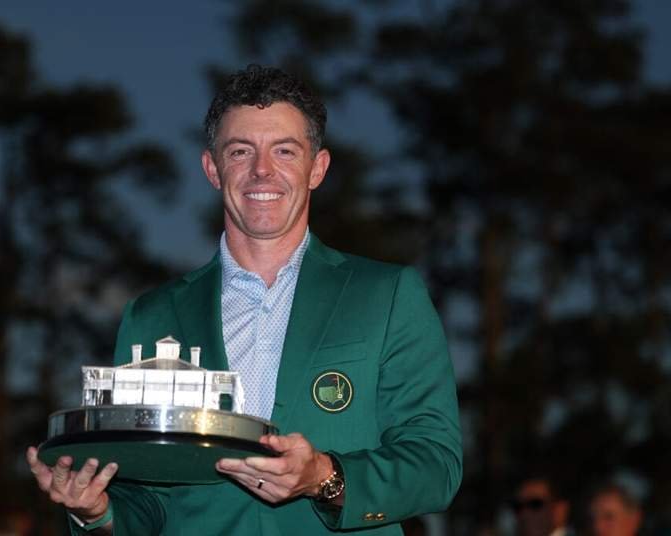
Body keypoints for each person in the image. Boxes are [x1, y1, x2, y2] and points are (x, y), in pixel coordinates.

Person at [27, 64, 462, 535]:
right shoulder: (151, 316)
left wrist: (325, 477)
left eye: (284, 150)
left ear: (317, 168)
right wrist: (97, 512)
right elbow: (143, 496)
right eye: (240, 151)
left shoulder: (387, 294)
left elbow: (435, 464)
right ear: (212, 169)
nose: (262, 170)